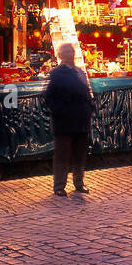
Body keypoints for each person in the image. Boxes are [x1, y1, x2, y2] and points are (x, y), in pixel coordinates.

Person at [43, 43, 94, 197]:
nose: (69, 55)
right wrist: (59, 111)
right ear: (61, 55)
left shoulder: (79, 72)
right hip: (64, 121)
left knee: (79, 153)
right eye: (66, 52)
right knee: (63, 154)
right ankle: (59, 185)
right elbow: (48, 97)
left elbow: (87, 93)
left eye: (71, 52)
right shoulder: (56, 74)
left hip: (80, 119)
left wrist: (89, 108)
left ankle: (79, 183)